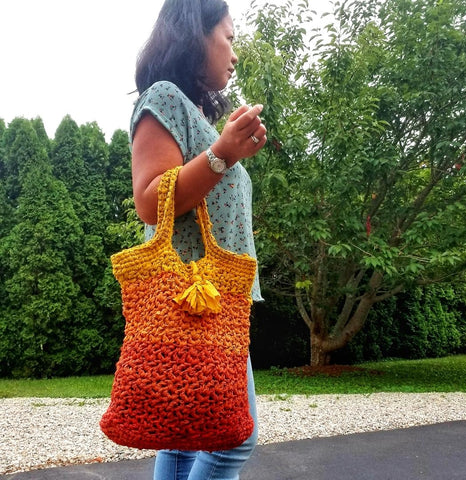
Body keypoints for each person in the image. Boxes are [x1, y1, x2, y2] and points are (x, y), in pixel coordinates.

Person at [129, 1, 267, 479]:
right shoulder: (163, 97)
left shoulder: (197, 114)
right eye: (228, 38)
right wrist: (223, 153)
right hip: (194, 298)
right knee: (233, 437)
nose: (234, 54)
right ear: (195, 34)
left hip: (218, 299)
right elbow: (151, 201)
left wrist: (225, 150)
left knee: (188, 438)